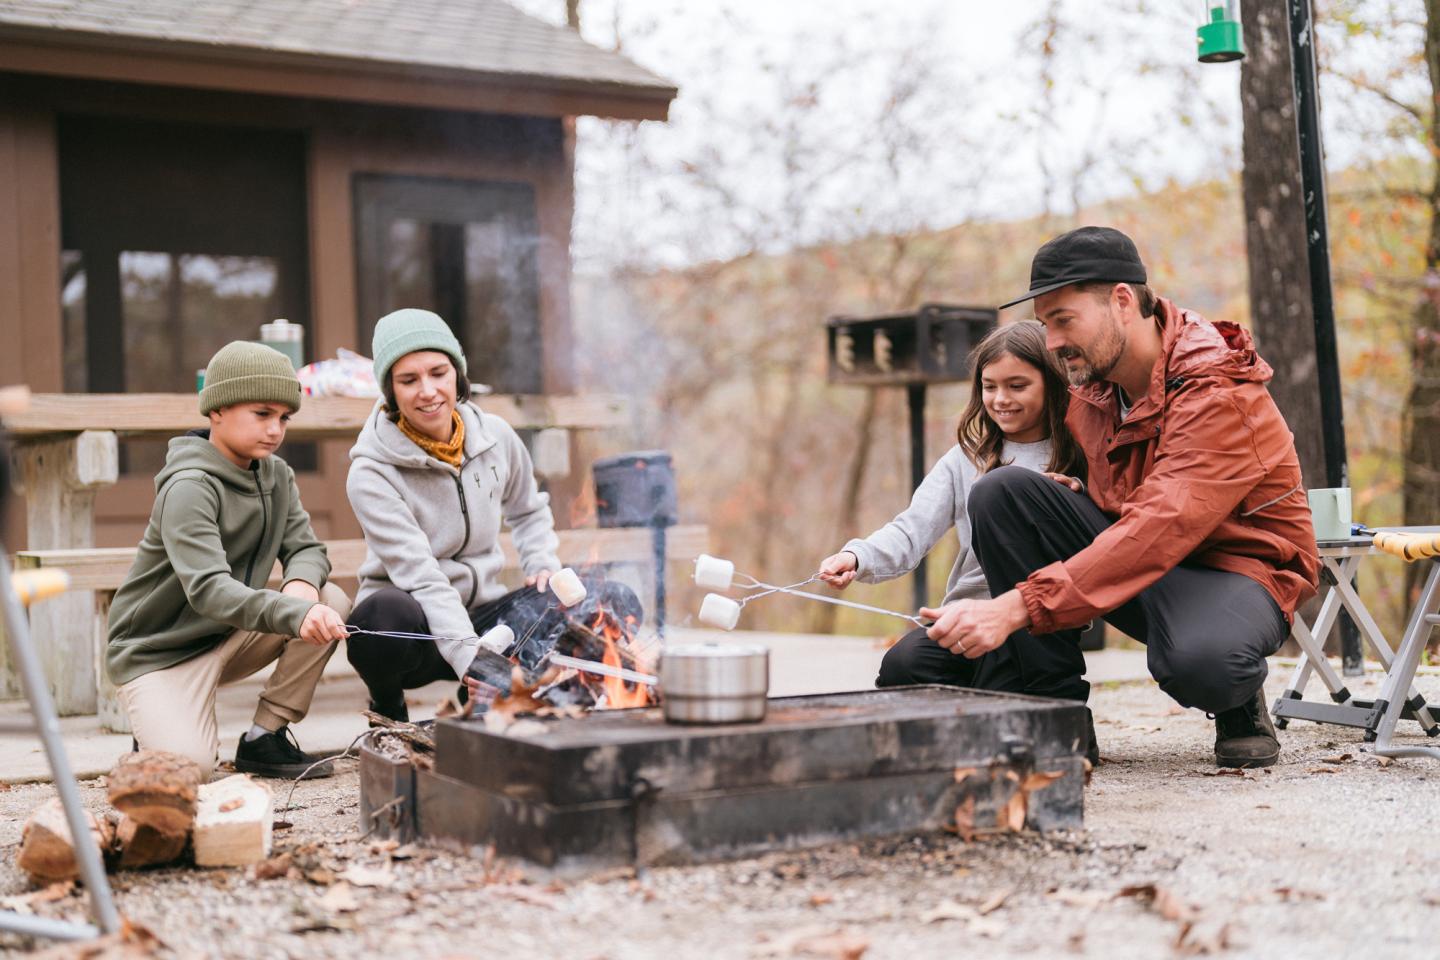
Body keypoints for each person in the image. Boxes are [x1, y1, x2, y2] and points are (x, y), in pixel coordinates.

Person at [923, 226, 1320, 768]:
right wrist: (1071, 492)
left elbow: (1162, 523)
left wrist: (1016, 606)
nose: (1054, 341)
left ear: (1122, 300)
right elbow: (1125, 508)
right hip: (1148, 559)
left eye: (1063, 320)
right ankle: (1055, 715)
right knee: (1004, 492)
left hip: (1239, 571)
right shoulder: (1093, 389)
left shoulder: (1218, 393)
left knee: (1204, 665)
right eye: (1045, 324)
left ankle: (1238, 702)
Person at [345, 309, 641, 721]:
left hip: (489, 616)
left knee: (614, 600)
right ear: (390, 391)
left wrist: (542, 564)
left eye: (438, 372)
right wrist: (473, 659)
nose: (428, 391)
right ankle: (388, 703)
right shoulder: (370, 473)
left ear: (458, 374)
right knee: (377, 620)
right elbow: (422, 578)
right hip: (420, 629)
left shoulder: (495, 437)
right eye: (408, 380)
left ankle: (493, 700)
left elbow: (529, 508)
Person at [106, 342, 351, 779]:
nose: (275, 429)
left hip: (229, 633)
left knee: (329, 600)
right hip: (160, 652)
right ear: (216, 410)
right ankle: (152, 726)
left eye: (284, 417)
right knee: (192, 770)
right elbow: (209, 591)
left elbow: (308, 549)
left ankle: (265, 737)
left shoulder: (277, 475)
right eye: (262, 414)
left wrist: (302, 587)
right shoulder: (189, 486)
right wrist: (291, 611)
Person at [817, 321, 1086, 702]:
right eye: (989, 387)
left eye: (1017, 386)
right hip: (965, 618)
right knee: (903, 664)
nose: (1000, 399)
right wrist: (856, 556)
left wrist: (1078, 495)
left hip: (1034, 624)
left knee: (1006, 682)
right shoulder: (967, 458)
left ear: (1052, 383)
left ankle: (1048, 709)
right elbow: (912, 529)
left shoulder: (1079, 454)